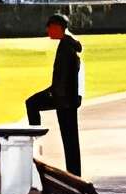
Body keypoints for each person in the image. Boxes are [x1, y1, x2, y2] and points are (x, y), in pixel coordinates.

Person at [22, 11, 86, 174]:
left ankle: (36, 139)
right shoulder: (67, 44)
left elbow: (63, 77)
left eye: (49, 28)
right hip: (66, 98)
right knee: (70, 138)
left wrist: (53, 94)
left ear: (58, 27)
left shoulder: (66, 47)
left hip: (64, 99)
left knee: (69, 137)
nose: (47, 31)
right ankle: (74, 172)